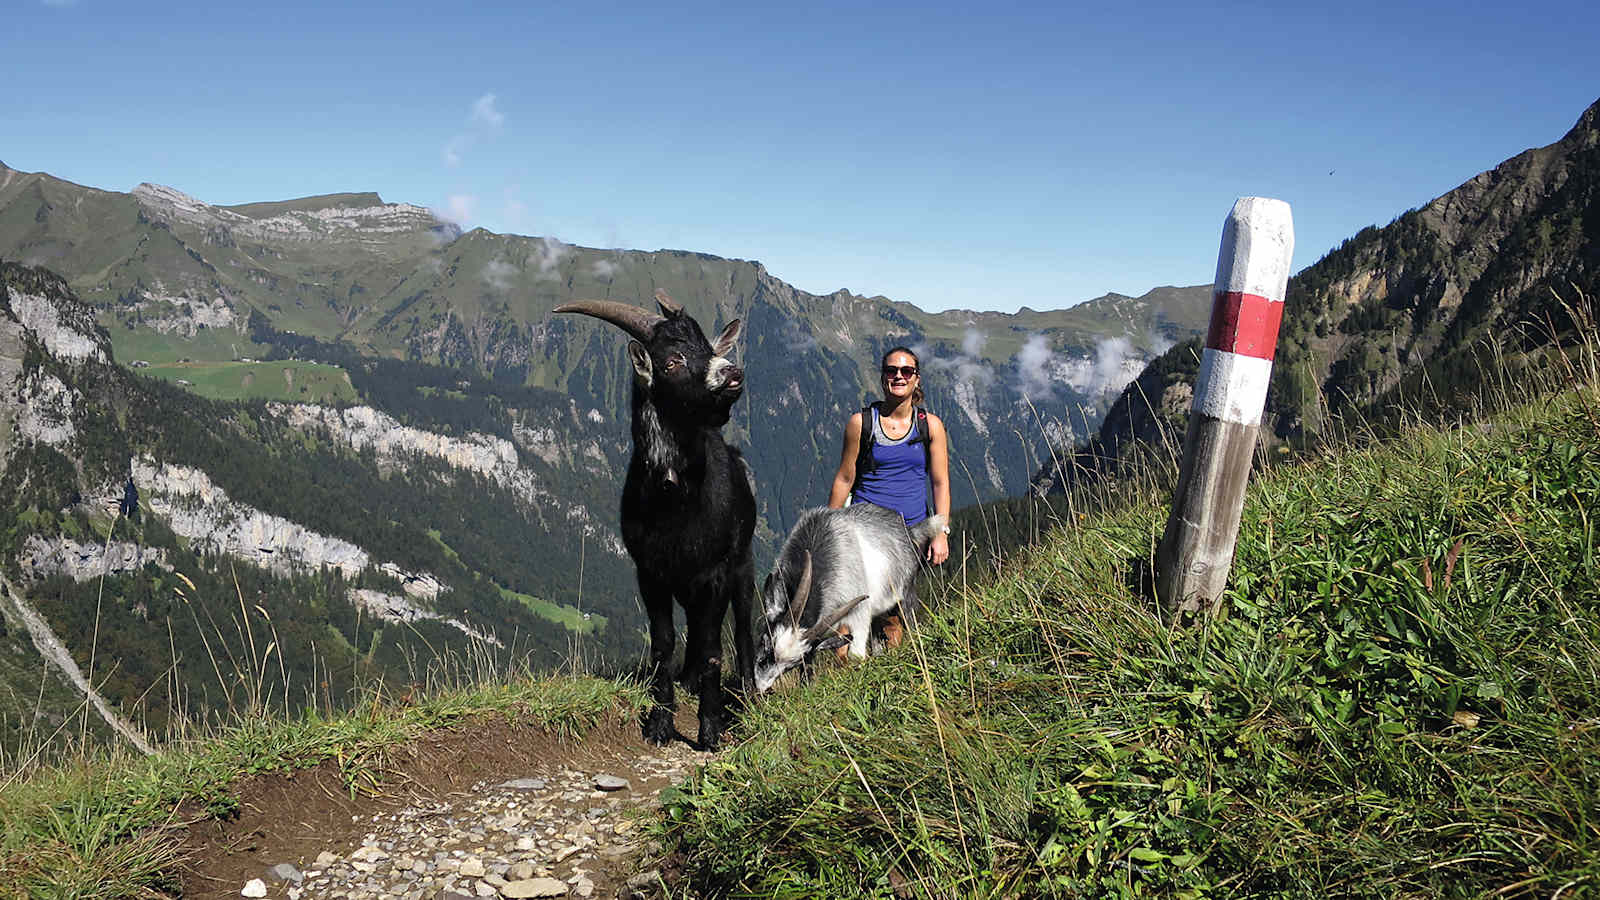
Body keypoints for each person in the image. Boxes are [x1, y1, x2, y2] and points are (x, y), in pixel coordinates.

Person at [827, 346, 951, 566]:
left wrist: (941, 532)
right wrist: (827, 534)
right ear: (884, 377)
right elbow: (844, 479)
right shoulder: (861, 423)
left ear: (917, 379)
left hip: (913, 537)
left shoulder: (931, 426)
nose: (898, 376)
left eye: (906, 371)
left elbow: (940, 483)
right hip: (864, 534)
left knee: (904, 600)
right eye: (891, 370)